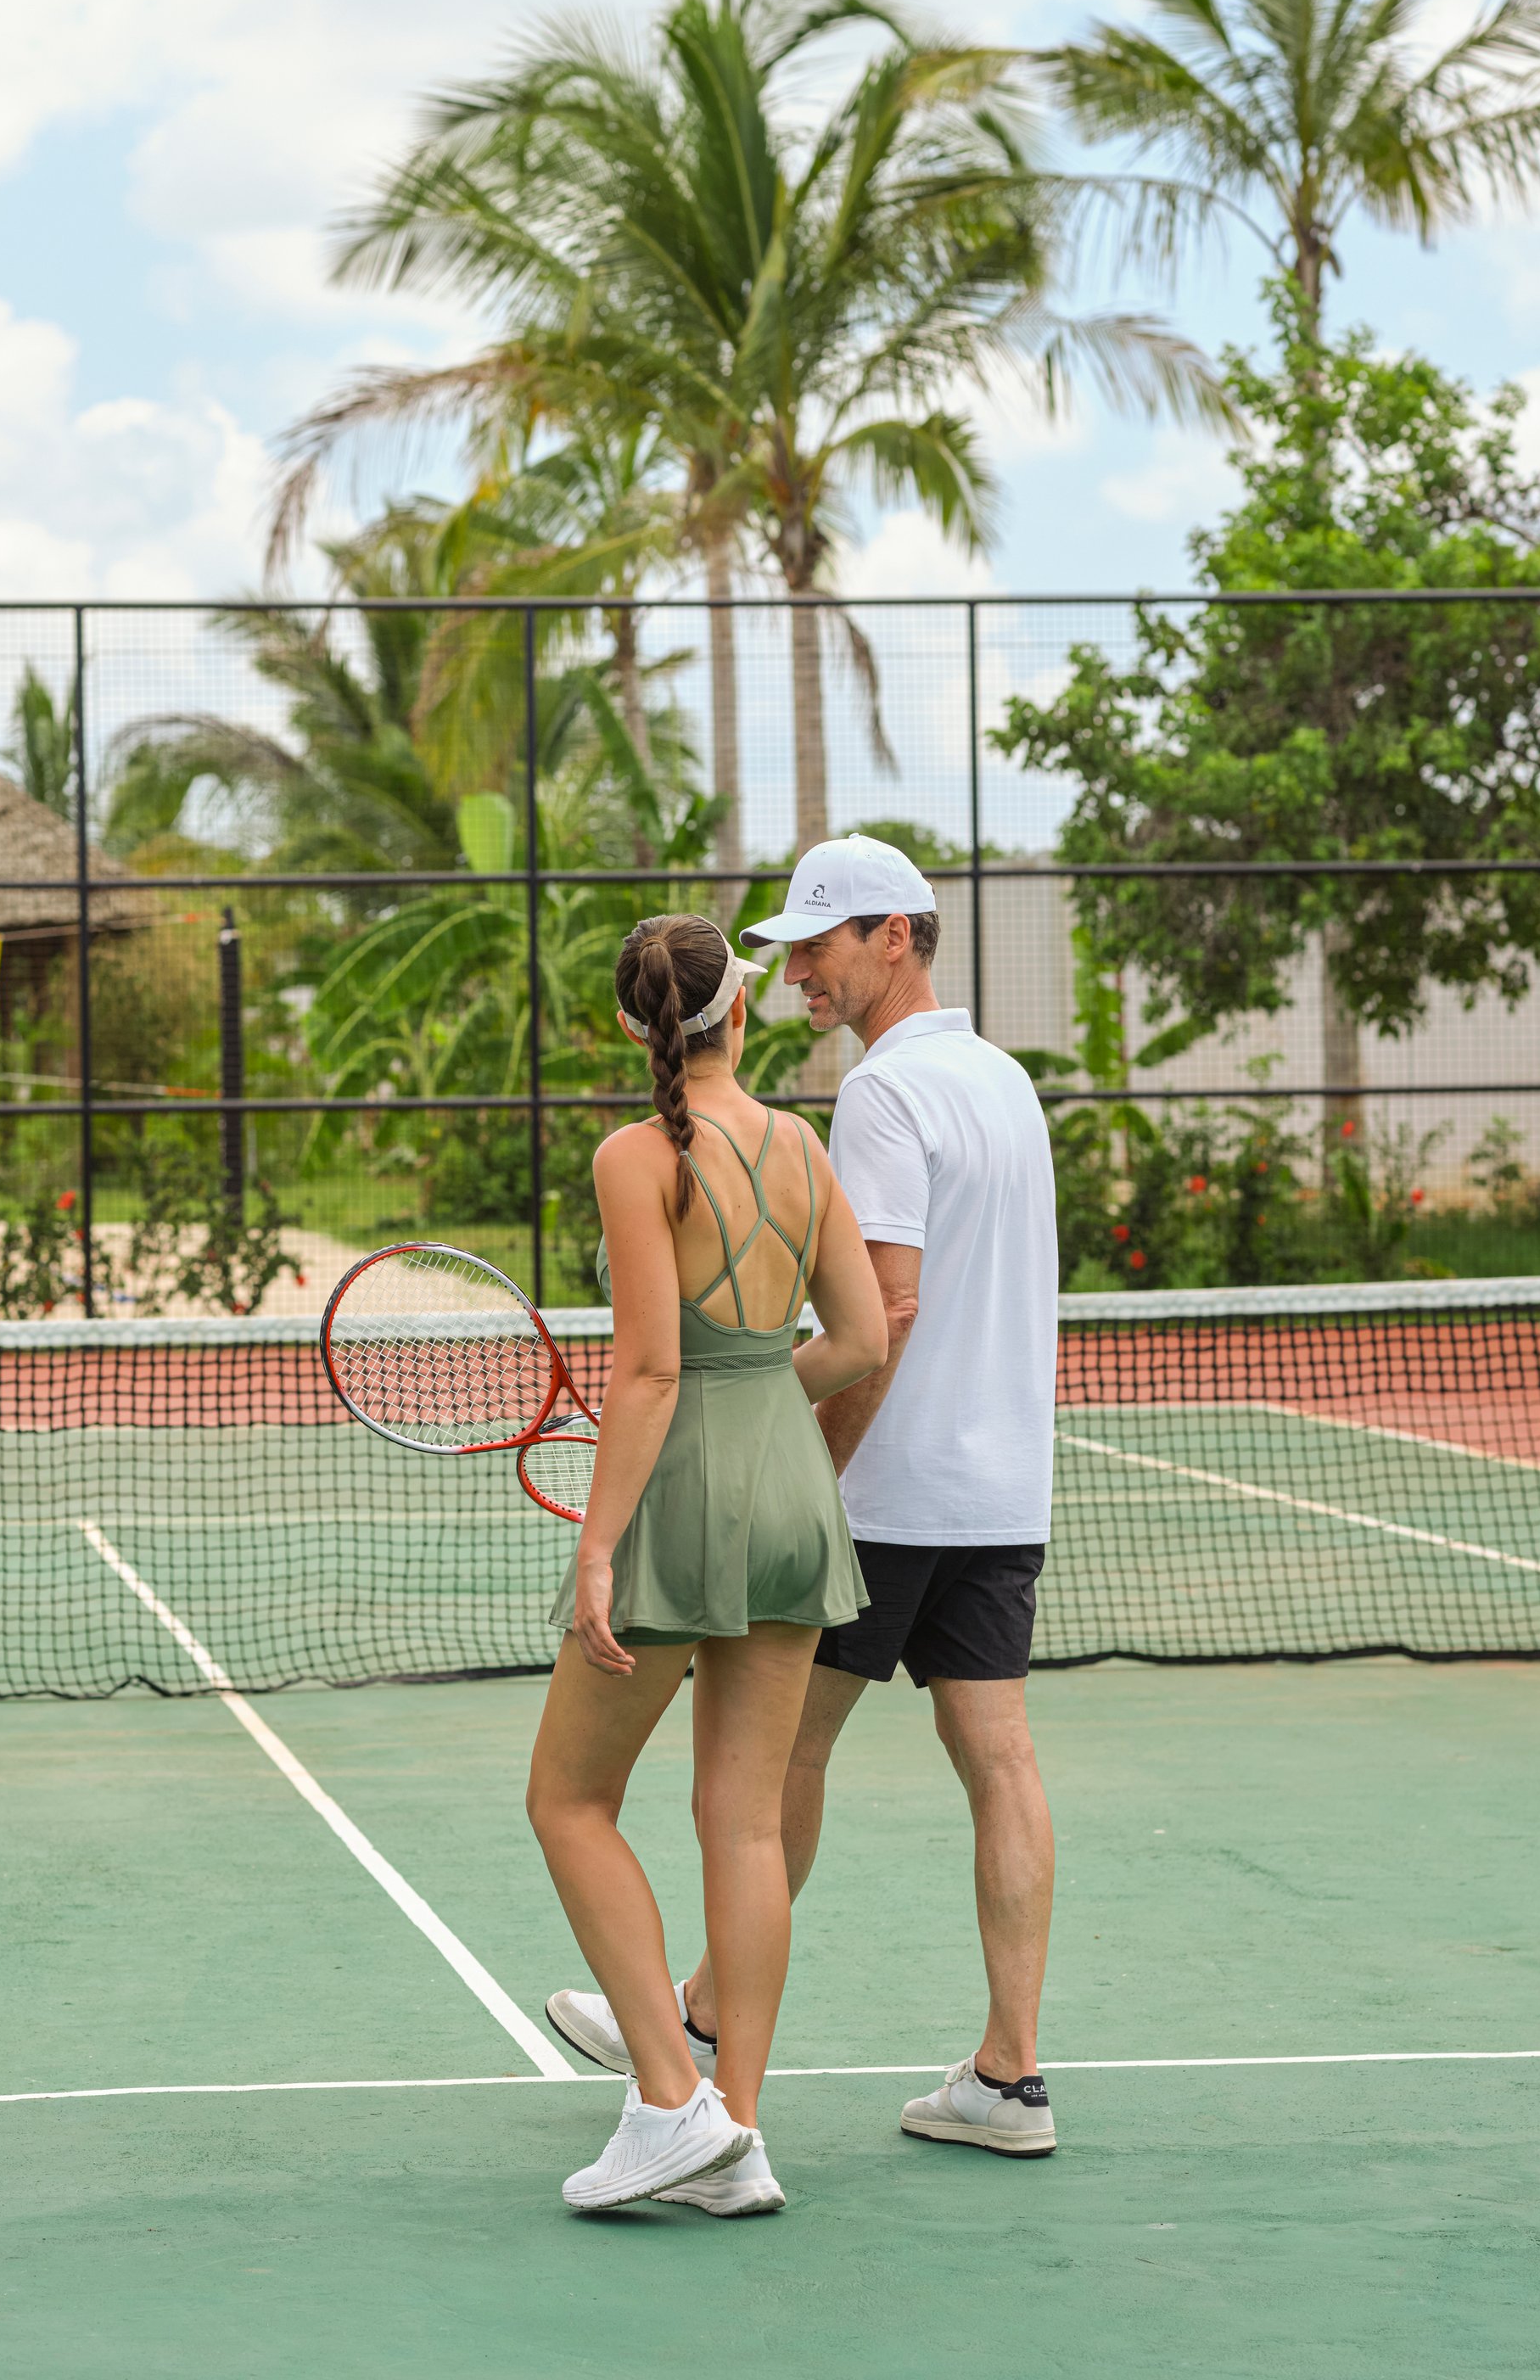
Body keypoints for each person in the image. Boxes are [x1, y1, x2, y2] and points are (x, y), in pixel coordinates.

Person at [546, 834, 1063, 2159]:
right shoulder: (1003, 1083)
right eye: (779, 959)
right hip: (1003, 1487)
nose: (801, 976)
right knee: (994, 1762)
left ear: (895, 934)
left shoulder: (877, 1098)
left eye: (821, 945)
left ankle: (692, 2051)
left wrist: (776, 1449)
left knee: (748, 1783)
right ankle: (1002, 2076)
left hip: (873, 1494)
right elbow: (873, 1318)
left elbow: (877, 1316)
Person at [524, 913, 890, 2216]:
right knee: (746, 1824)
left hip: (683, 1497)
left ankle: (674, 2104)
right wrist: (759, 1402)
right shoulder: (803, 1144)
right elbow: (860, 1341)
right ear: (739, 1006)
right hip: (794, 1489)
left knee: (568, 1802)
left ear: (635, 1028)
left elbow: (649, 1371)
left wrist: (598, 1548)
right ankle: (738, 2133)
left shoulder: (636, 1157)